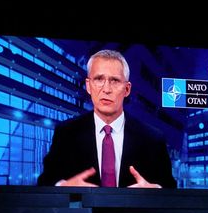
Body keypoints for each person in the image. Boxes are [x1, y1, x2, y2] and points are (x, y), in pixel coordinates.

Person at [37, 49, 177, 188]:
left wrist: (156, 191)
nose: (106, 89)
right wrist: (63, 187)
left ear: (127, 89)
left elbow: (171, 189)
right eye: (99, 79)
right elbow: (44, 183)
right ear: (88, 86)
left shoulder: (153, 138)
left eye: (115, 80)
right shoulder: (65, 133)